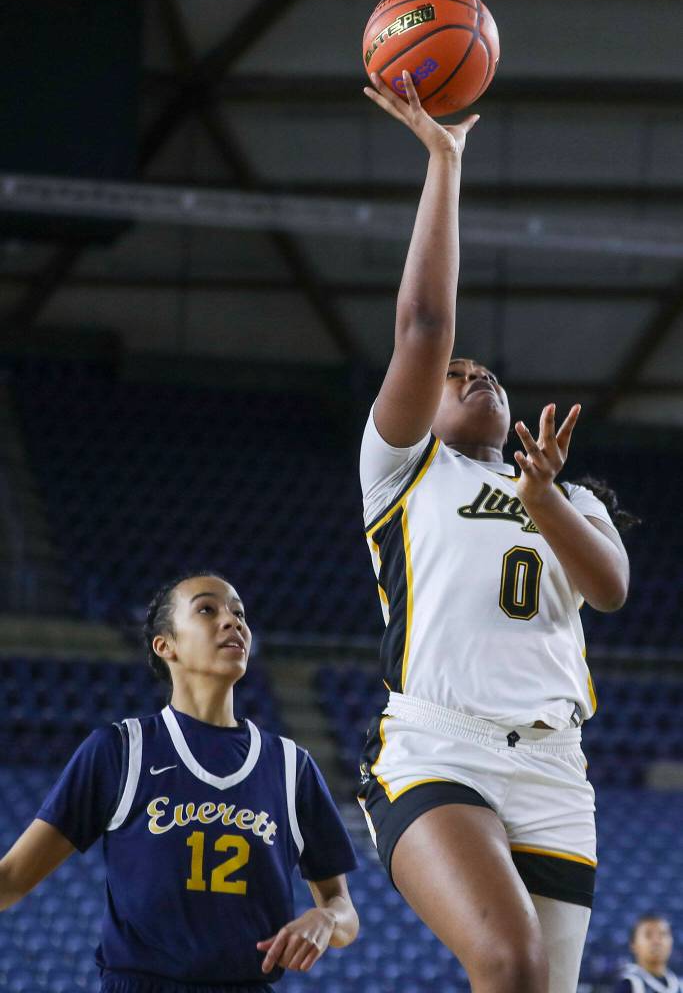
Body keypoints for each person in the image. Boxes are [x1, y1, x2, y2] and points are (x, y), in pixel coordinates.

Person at [357, 69, 634, 993]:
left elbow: (609, 591)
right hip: (440, 744)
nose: (470, 374)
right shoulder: (403, 470)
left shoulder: (566, 493)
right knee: (508, 962)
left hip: (556, 764)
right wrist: (445, 158)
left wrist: (548, 497)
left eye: (485, 373)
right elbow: (425, 322)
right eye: (453, 375)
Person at [0, 572, 359, 993]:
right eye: (208, 609)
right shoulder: (120, 750)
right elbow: (11, 879)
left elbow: (344, 912)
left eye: (239, 613)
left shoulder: (290, 765)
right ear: (165, 645)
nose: (233, 621)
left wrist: (327, 918)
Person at [615, 915, 681, 992]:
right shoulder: (627, 984)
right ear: (633, 944)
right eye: (648, 935)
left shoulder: (678, 984)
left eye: (663, 934)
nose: (657, 941)